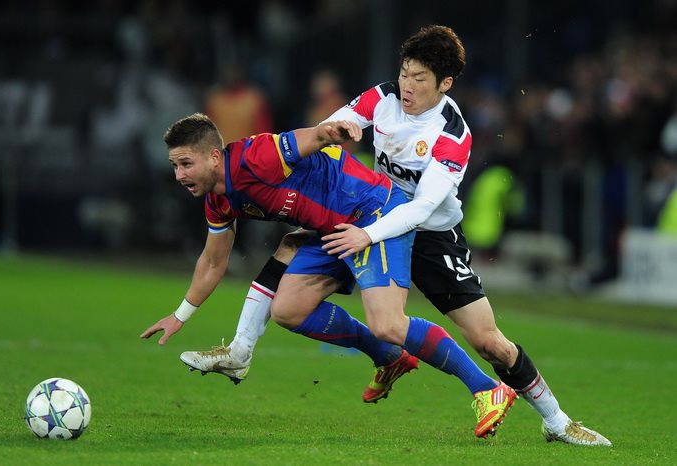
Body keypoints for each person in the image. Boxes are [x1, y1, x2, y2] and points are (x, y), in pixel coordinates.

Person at [181, 25, 612, 447]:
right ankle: (386, 356)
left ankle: (557, 421)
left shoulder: (452, 135)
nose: (407, 85)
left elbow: (422, 208)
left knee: (488, 342)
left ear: (445, 83)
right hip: (367, 214)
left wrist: (366, 235)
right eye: (405, 73)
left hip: (427, 236)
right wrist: (339, 129)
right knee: (291, 308)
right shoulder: (384, 97)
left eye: (419, 78)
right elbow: (335, 123)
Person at [140, 112, 517, 439]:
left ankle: (487, 388)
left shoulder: (256, 157)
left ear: (213, 156)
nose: (179, 175)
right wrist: (180, 315)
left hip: (374, 213)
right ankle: (389, 357)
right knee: (288, 310)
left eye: (185, 164)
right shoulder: (218, 201)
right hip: (332, 230)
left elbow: (315, 136)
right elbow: (212, 262)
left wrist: (335, 129)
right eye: (175, 166)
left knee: (388, 323)